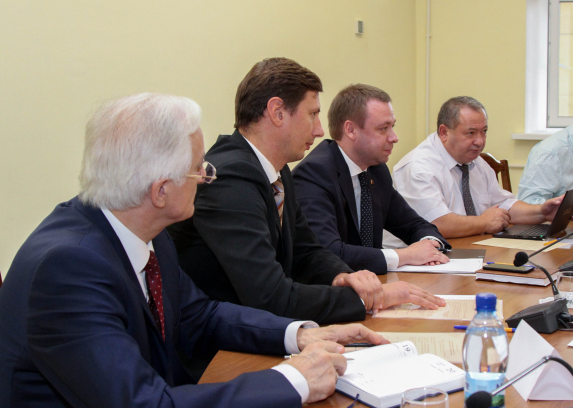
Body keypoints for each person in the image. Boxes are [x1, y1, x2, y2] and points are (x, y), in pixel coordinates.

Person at [0, 93, 389, 407]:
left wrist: (297, 335)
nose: (206, 177)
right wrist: (294, 380)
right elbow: (143, 403)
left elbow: (200, 316)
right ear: (160, 190)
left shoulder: (144, 230)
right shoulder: (68, 269)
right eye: (199, 168)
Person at [168, 58, 446, 326]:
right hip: (223, 343)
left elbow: (306, 250)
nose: (320, 130)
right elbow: (270, 296)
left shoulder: (277, 172)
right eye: (312, 114)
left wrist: (344, 276)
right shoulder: (231, 178)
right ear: (277, 112)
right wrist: (370, 299)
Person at [292, 84, 450, 274]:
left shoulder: (376, 171)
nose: (394, 137)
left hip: (374, 282)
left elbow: (414, 225)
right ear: (351, 130)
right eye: (383, 128)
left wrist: (429, 244)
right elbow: (327, 253)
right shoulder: (314, 174)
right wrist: (405, 255)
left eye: (392, 127)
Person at [391, 96, 563, 239]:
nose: (480, 141)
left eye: (484, 131)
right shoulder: (418, 167)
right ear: (444, 132)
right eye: (470, 133)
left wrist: (542, 212)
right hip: (419, 259)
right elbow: (436, 224)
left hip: (468, 248)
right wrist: (484, 222)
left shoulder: (475, 161)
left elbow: (503, 205)